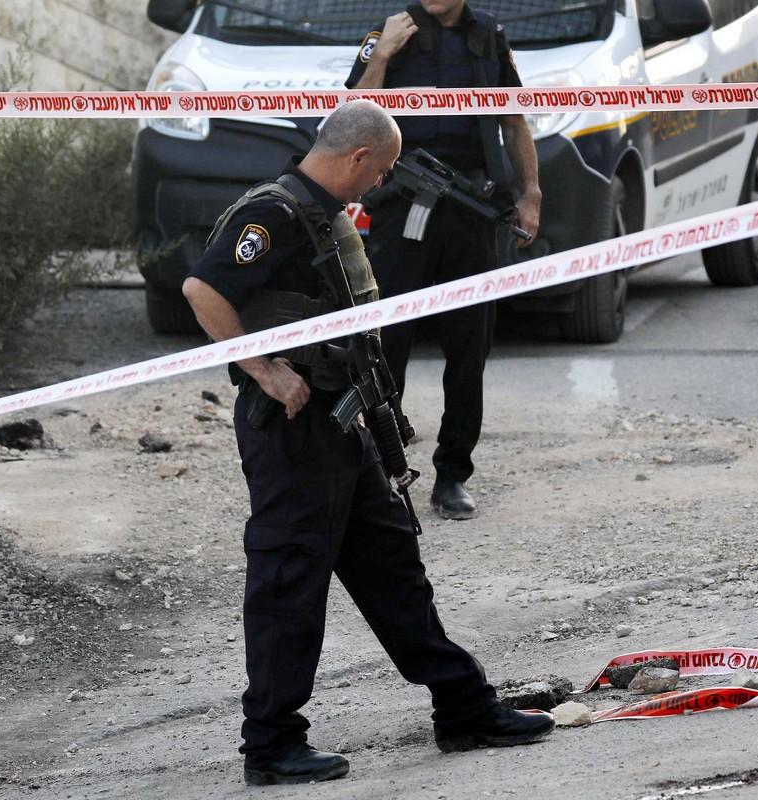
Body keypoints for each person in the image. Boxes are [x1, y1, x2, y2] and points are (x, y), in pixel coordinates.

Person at [181, 100, 553, 787]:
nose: (378, 184)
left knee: (392, 568)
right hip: (293, 430)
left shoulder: (320, 212)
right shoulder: (274, 213)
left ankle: (464, 708)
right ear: (357, 159)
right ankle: (271, 744)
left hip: (341, 423)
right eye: (378, 171)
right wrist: (264, 370)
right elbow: (203, 288)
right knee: (289, 580)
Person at [346, 0, 541, 520]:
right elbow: (354, 117)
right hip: (401, 209)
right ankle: (385, 471)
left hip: (470, 209)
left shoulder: (489, 35)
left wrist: (531, 194)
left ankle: (453, 474)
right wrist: (382, 55)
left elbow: (513, 119)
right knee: (386, 345)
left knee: (469, 345)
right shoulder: (390, 32)